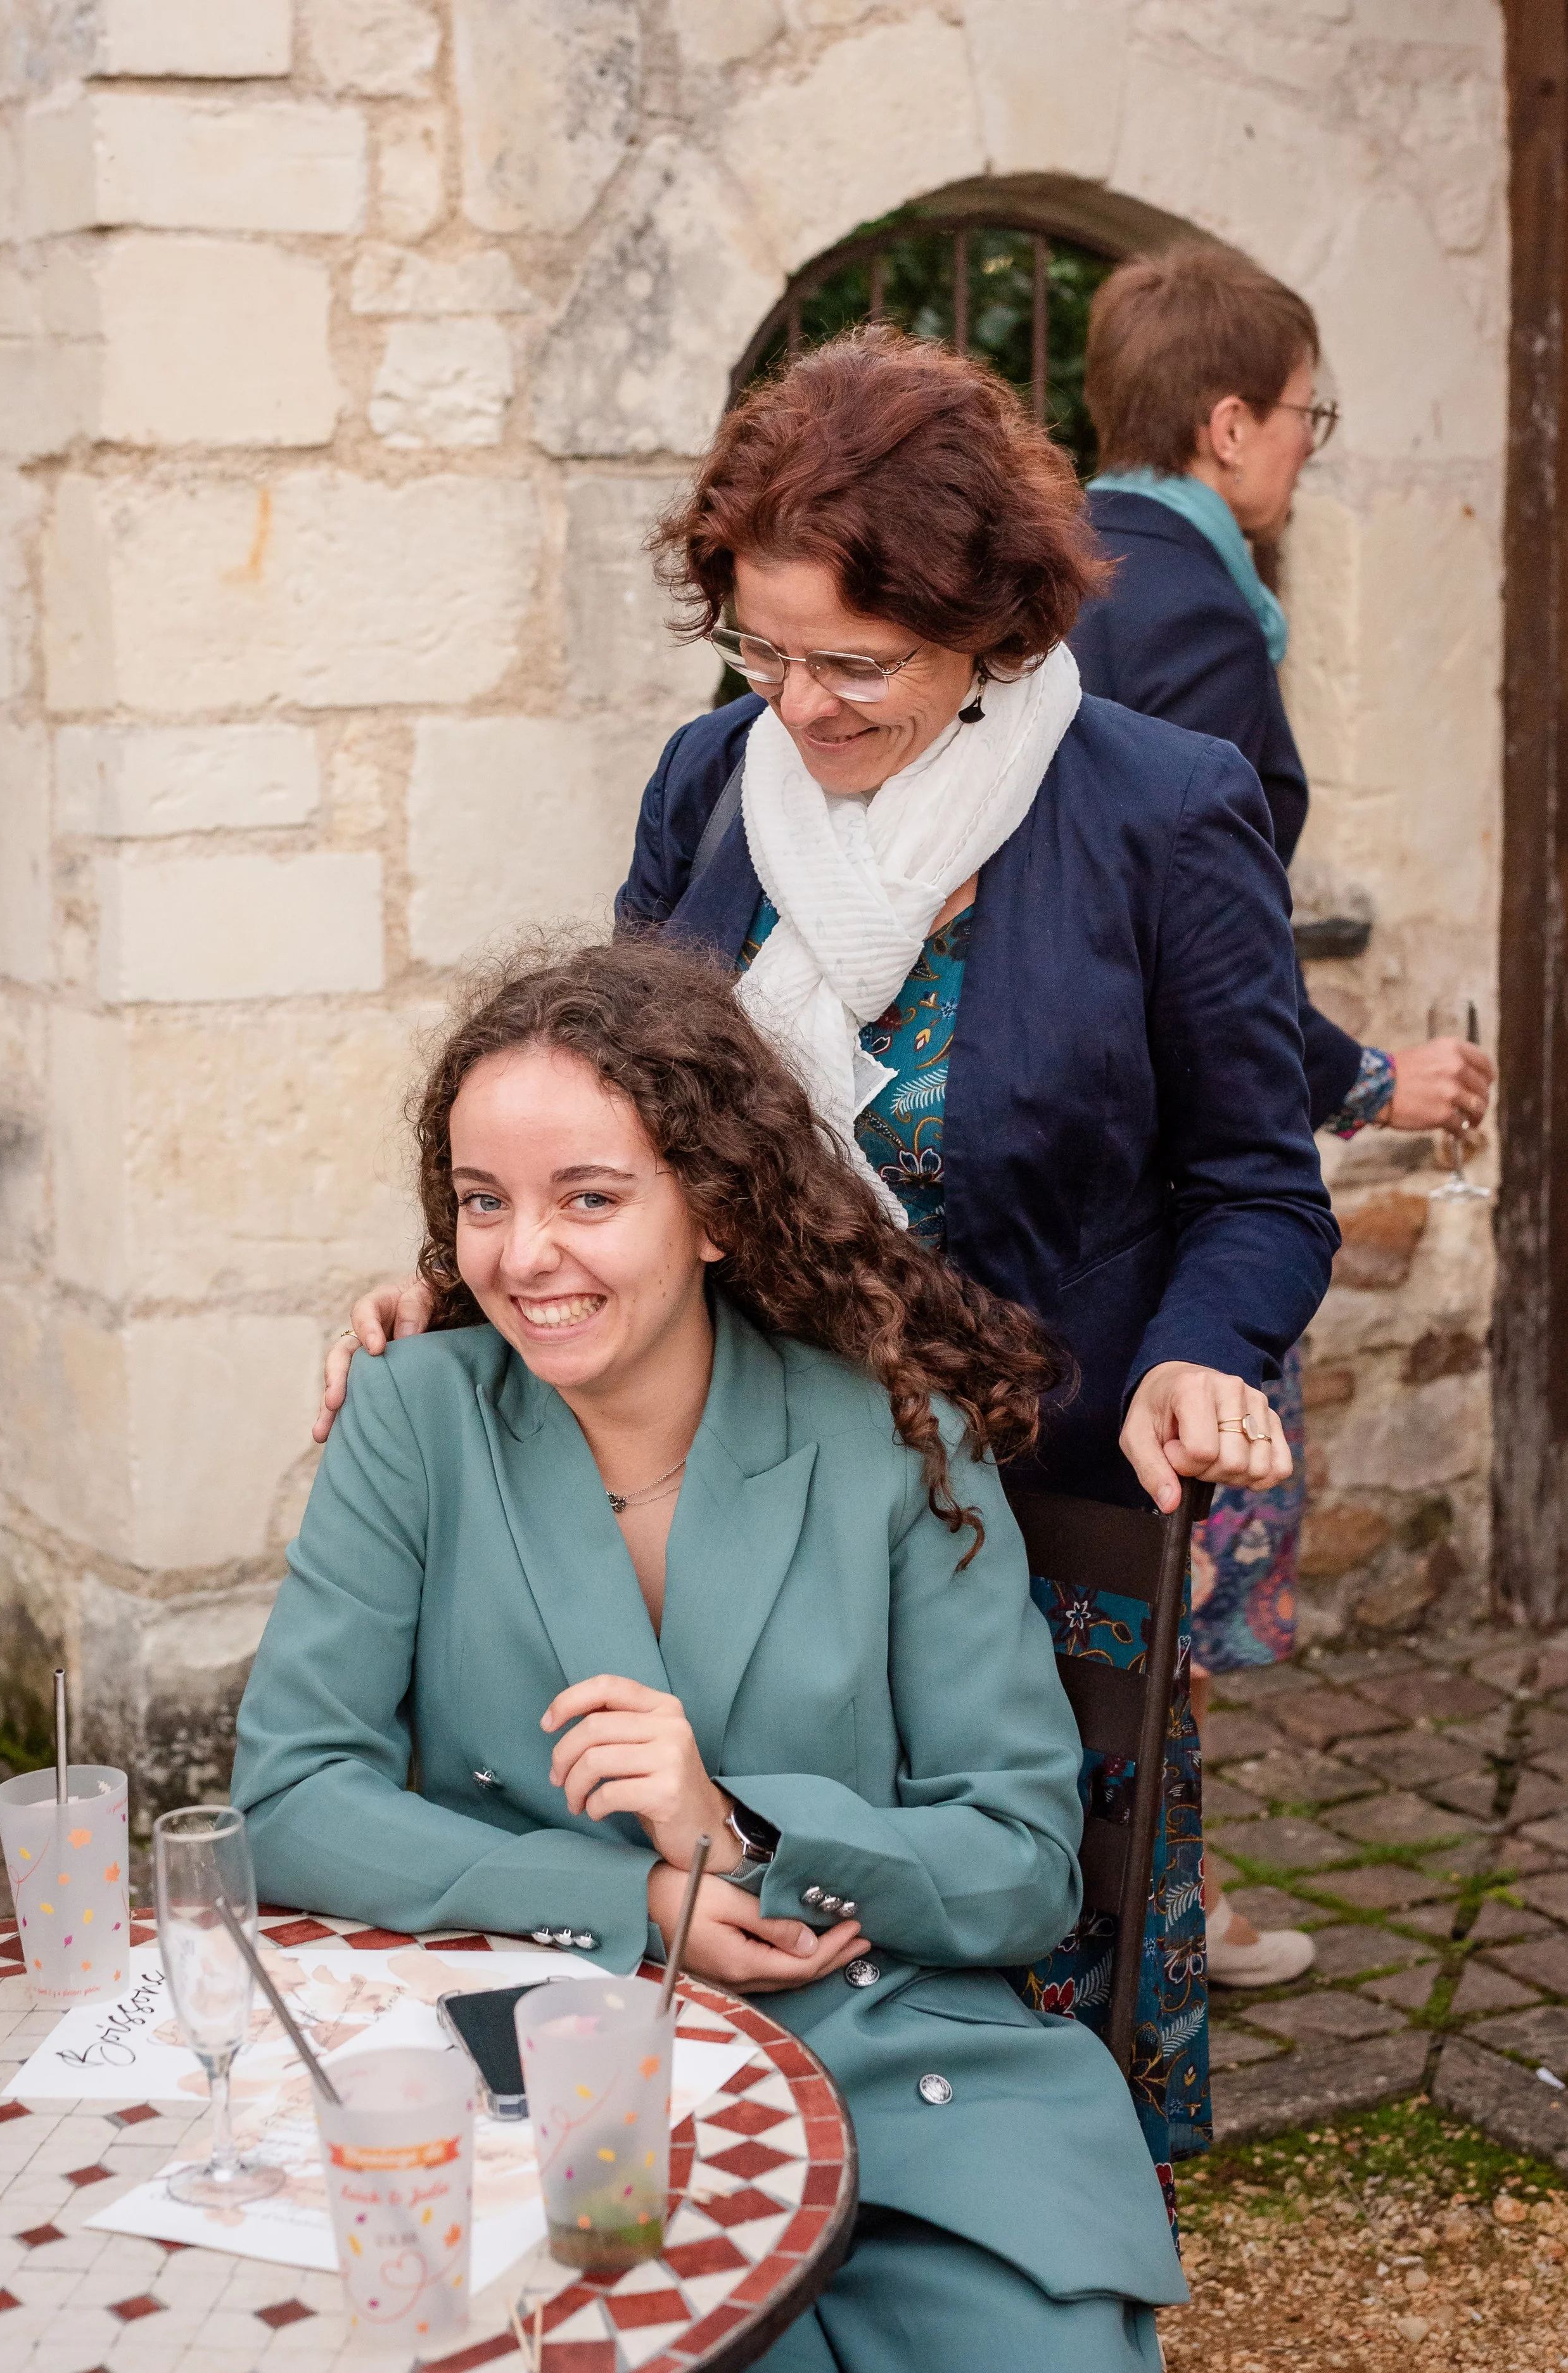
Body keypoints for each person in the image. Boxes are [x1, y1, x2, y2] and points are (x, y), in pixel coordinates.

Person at [314, 329, 1340, 2164]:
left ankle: (1004, 2217)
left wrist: (1201, 1350)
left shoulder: (1161, 811)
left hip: (1042, 1480)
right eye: (761, 650)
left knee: (1006, 1933)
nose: (798, 705)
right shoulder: (708, 781)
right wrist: (457, 1275)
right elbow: (615, 1093)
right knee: (732, 1883)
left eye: (855, 663)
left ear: (993, 627)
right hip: (748, 1481)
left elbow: (1258, 1185)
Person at [233, 935, 1187, 2372]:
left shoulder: (892, 1434)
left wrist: (740, 1830)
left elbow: (1021, 1863)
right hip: (535, 2071)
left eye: (589, 1198)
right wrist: (632, 1896)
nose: (523, 1255)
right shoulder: (413, 1416)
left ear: (717, 1210)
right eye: (484, 1201)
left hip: (884, 2064)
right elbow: (292, 1795)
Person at [1069, 240, 1497, 1986]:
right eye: (1308, 417)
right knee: (1161, 1547)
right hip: (1160, 1174)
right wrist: (1365, 1077)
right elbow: (1181, 934)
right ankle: (1156, 1912)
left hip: (1072, 1140)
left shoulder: (1068, 574)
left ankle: (1132, 1897)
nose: (1309, 452)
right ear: (1228, 420)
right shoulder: (1194, 616)